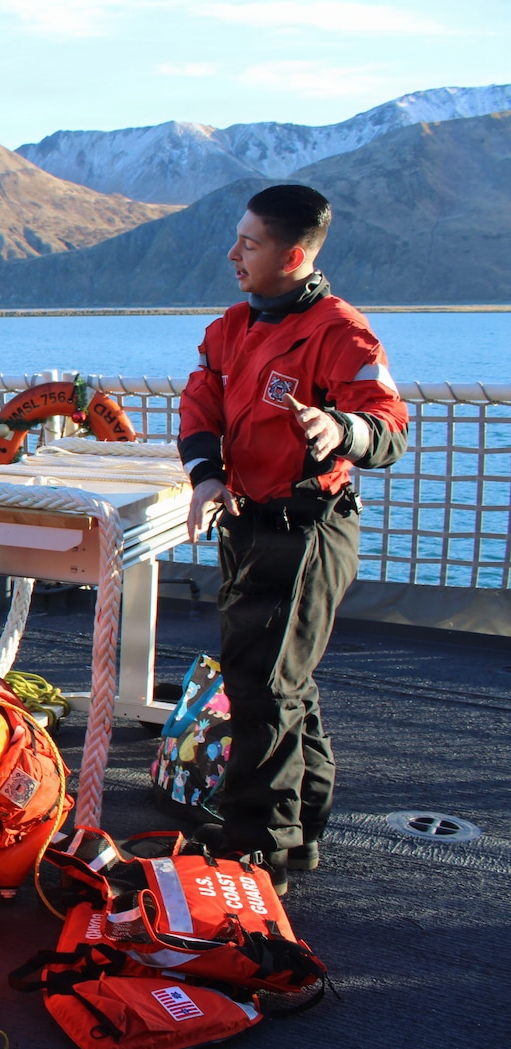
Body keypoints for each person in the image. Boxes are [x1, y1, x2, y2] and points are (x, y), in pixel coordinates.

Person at [179, 184, 409, 894]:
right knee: (282, 683)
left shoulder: (342, 334)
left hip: (307, 529)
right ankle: (300, 828)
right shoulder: (231, 327)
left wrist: (341, 428)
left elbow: (388, 425)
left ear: (294, 256)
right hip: (248, 522)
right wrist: (206, 477)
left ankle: (257, 851)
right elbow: (201, 402)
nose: (233, 254)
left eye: (249, 244)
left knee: (265, 688)